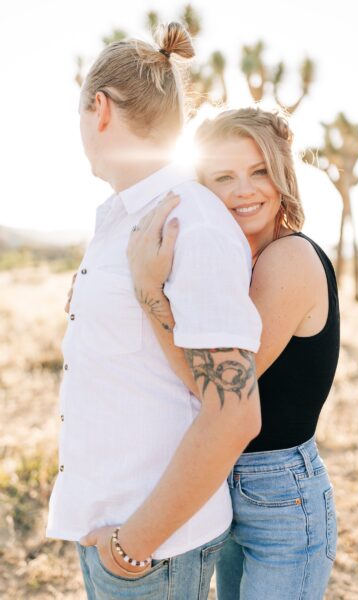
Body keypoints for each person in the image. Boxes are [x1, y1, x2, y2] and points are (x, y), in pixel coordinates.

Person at [46, 23, 263, 600]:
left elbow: (235, 414)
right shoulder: (121, 219)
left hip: (152, 550)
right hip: (109, 532)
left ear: (99, 109)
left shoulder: (190, 222)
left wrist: (131, 547)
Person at [127, 107, 340, 599]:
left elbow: (210, 391)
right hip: (223, 480)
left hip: (282, 497)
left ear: (282, 175)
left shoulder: (288, 258)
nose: (244, 190)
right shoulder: (233, 263)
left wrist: (150, 293)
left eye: (259, 170)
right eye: (224, 176)